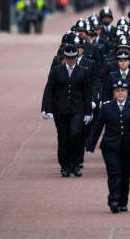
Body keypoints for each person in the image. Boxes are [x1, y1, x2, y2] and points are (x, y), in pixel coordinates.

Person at [85, 80, 130, 213]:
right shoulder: (106, 107)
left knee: (125, 174)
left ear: (127, 92)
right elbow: (97, 127)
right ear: (113, 93)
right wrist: (90, 145)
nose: (120, 93)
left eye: (123, 90)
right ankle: (114, 199)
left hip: (129, 147)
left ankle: (123, 201)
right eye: (118, 91)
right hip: (110, 146)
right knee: (114, 173)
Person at [41, 42, 93, 177]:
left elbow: (87, 93)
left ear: (76, 57)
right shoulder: (56, 71)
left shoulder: (84, 71)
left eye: (73, 58)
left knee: (75, 134)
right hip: (61, 110)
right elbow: (49, 89)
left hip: (78, 109)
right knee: (63, 137)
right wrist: (46, 108)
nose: (71, 61)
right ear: (65, 57)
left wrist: (88, 112)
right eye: (68, 58)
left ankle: (76, 164)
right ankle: (65, 165)